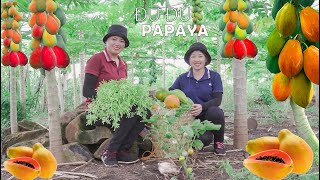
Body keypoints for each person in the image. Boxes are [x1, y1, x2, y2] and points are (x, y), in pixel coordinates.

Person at [83, 24, 150, 166]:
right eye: (114, 39)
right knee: (132, 110)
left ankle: (122, 151)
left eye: (121, 41)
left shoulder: (123, 64)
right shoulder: (97, 59)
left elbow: (123, 90)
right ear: (106, 41)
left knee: (145, 111)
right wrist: (112, 101)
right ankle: (110, 152)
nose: (117, 43)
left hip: (118, 109)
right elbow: (87, 91)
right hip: (98, 110)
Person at [169, 42, 226, 155]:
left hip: (207, 116)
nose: (197, 59)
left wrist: (202, 107)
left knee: (216, 111)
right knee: (204, 140)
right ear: (189, 60)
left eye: (200, 56)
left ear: (205, 59)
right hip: (189, 118)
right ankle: (205, 137)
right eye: (193, 56)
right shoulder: (182, 78)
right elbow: (171, 92)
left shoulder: (214, 76)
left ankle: (219, 142)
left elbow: (217, 100)